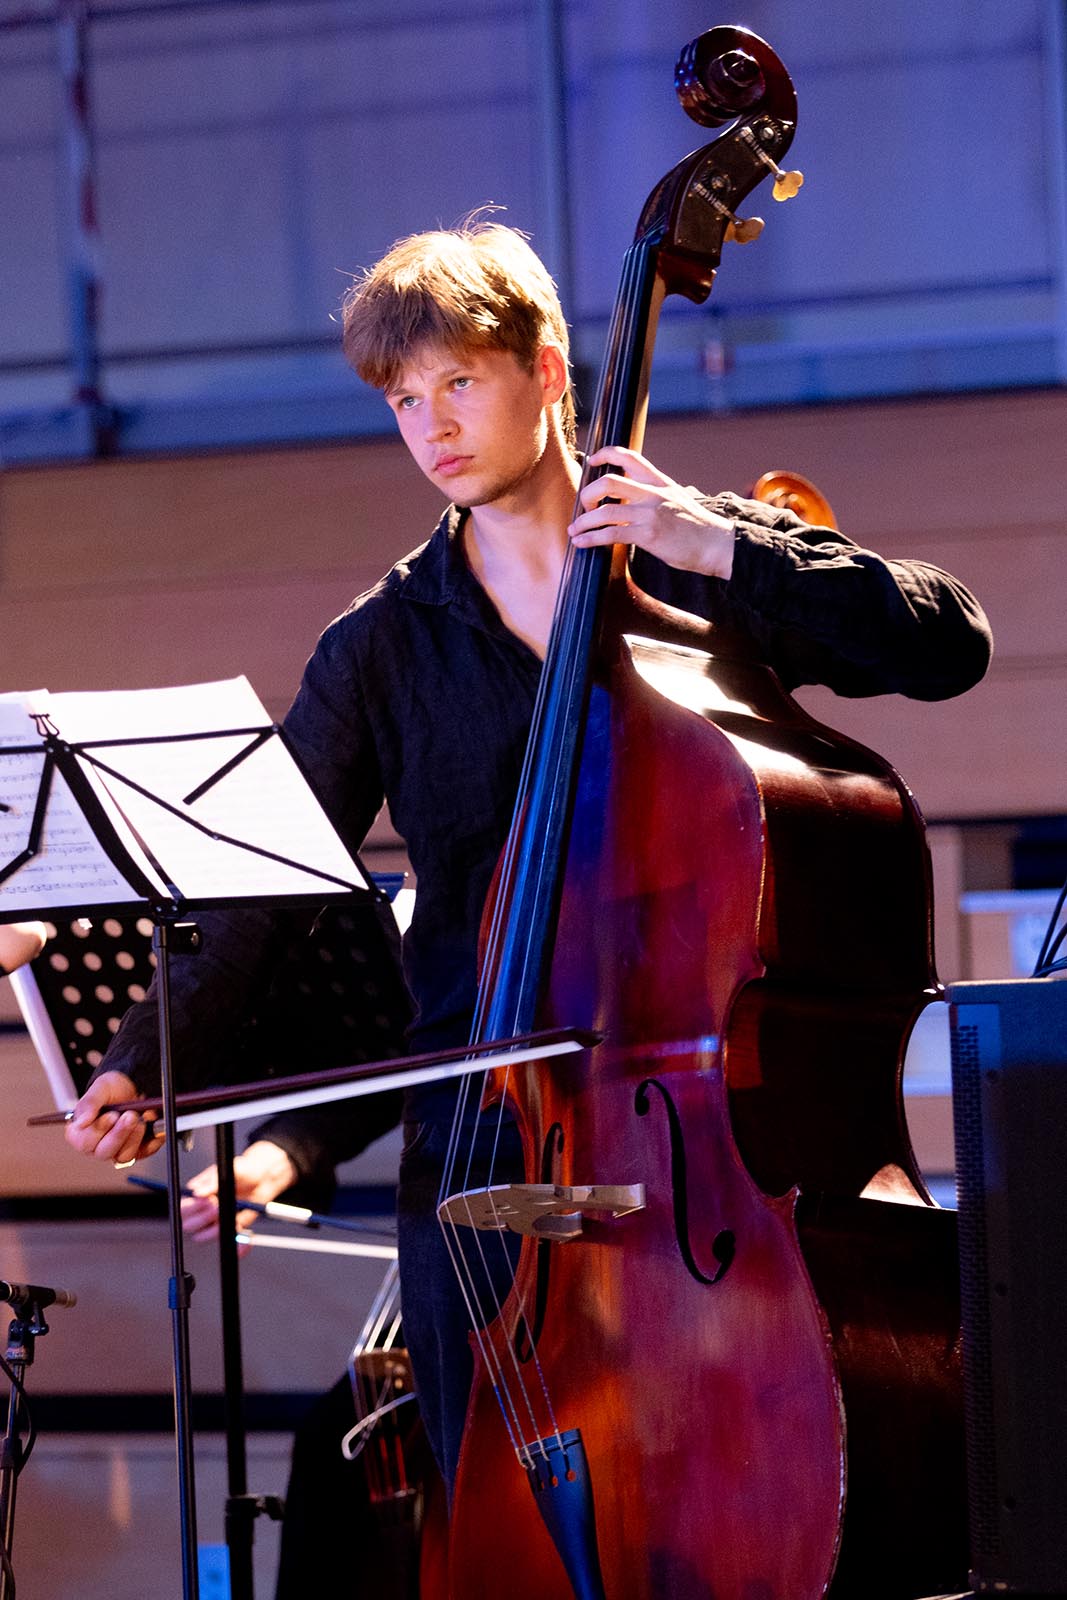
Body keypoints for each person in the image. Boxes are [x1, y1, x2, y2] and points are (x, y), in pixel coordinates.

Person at [64, 220, 992, 1492]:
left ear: (547, 370)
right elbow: (260, 889)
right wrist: (145, 1058)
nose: (431, 425)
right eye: (404, 399)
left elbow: (947, 643)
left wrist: (722, 545)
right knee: (488, 1517)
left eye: (459, 380)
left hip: (708, 1149)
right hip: (484, 1146)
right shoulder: (378, 648)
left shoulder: (689, 557)